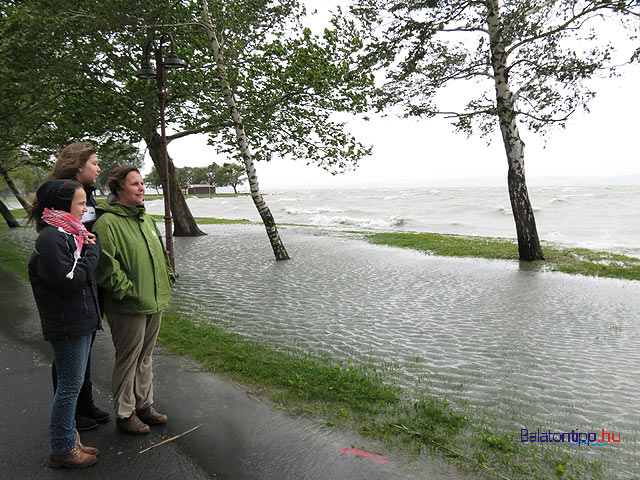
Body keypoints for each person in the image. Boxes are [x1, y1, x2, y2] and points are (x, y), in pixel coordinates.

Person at [93, 165, 175, 435]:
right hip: (127, 305)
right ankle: (125, 413)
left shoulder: (146, 220)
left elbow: (161, 253)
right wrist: (128, 290)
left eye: (142, 183)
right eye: (134, 184)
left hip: (155, 300)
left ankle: (144, 406)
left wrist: (168, 275)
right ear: (118, 188)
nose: (142, 188)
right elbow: (105, 266)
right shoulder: (107, 223)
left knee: (146, 356)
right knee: (128, 359)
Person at [28, 179, 101, 468]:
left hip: (78, 319)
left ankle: (71, 442)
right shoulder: (52, 238)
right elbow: (68, 281)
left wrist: (86, 247)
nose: (86, 209)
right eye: (81, 203)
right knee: (69, 387)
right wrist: (93, 253)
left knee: (73, 383)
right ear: (62, 205)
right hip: (67, 322)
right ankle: (62, 448)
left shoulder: (69, 233)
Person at [43, 142, 110, 430]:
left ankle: (86, 403)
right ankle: (70, 414)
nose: (99, 168)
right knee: (70, 352)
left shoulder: (88, 197)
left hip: (88, 277)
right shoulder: (63, 195)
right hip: (74, 278)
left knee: (87, 344)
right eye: (94, 163)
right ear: (78, 165)